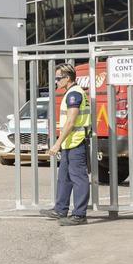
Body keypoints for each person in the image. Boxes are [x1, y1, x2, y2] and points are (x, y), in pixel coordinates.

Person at [42, 64, 91, 226]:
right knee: (64, 177)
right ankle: (60, 209)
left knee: (78, 178)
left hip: (76, 141)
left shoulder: (74, 94)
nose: (56, 81)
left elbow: (71, 122)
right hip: (70, 142)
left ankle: (79, 215)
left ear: (67, 78)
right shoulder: (71, 93)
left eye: (58, 78)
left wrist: (56, 144)